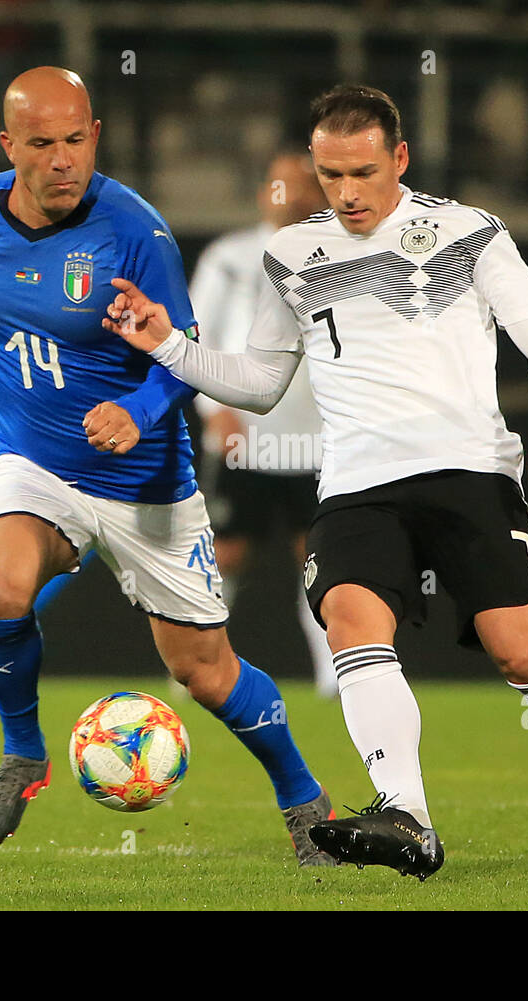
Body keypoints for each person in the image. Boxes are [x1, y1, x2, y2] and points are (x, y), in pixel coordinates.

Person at [103, 84, 528, 881]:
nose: (347, 193)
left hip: (468, 470)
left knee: (521, 652)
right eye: (329, 176)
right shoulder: (291, 255)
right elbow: (259, 381)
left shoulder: (467, 232)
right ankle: (408, 816)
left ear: (399, 158)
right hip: (357, 482)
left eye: (362, 172)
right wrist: (170, 348)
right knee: (351, 622)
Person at [0, 67, 336, 865]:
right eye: (42, 144)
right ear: (9, 146)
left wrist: (136, 414)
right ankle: (23, 753)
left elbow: (185, 353)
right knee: (0, 587)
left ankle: (304, 800)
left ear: (94, 135)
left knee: (207, 674)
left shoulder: (136, 230)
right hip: (36, 464)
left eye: (76, 140)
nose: (63, 159)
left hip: (148, 485)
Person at [190, 151, 336, 697]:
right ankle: (198, 666)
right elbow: (194, 335)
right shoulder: (230, 258)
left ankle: (333, 679)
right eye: (283, 185)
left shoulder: (341, 258)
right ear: (263, 193)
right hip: (246, 440)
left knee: (321, 558)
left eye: (304, 186)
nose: (293, 196)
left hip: (321, 441)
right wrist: (214, 408)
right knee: (224, 552)